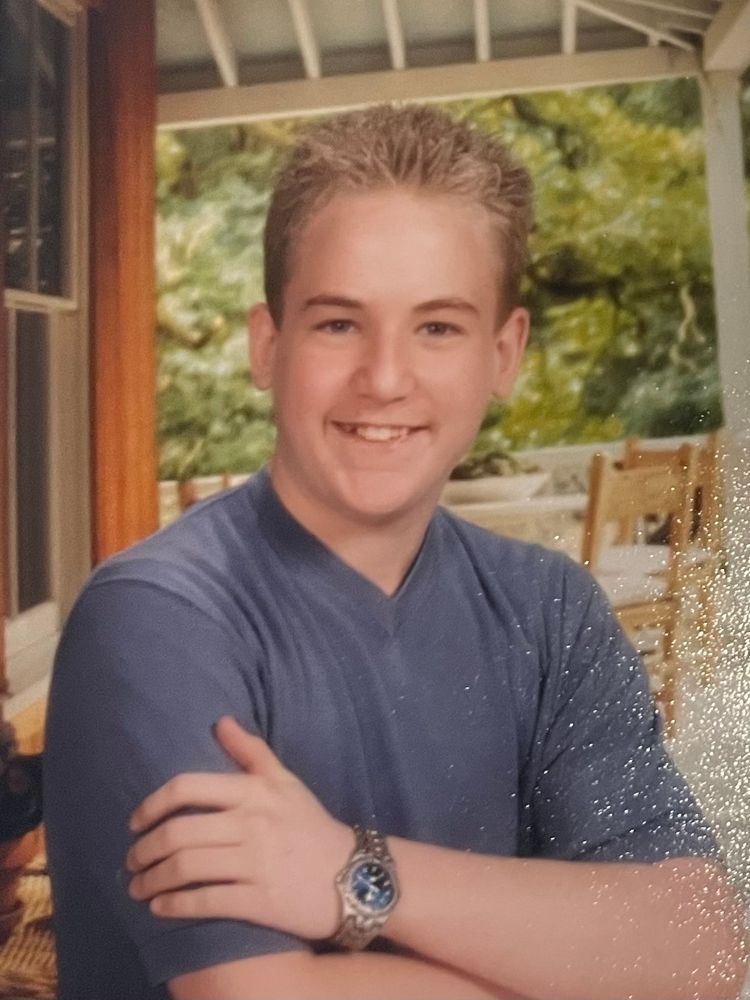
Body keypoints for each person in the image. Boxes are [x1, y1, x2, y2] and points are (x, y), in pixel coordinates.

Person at [44, 103, 747, 1000]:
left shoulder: (552, 612)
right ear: (269, 346)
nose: (384, 377)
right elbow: (257, 995)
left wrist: (351, 871)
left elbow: (701, 948)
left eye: (438, 328)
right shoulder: (157, 618)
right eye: (339, 323)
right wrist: (587, 968)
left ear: (504, 353)